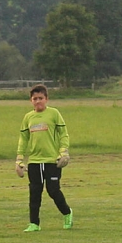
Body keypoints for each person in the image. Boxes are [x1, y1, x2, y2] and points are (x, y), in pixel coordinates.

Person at [15, 84, 73, 231]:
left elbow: (63, 134)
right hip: (34, 161)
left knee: (53, 190)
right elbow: (23, 139)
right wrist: (19, 159)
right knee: (35, 192)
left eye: (40, 98)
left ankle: (67, 213)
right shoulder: (28, 117)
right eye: (35, 99)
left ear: (46, 99)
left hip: (52, 160)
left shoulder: (54, 113)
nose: (38, 101)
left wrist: (64, 152)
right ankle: (34, 223)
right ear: (31, 100)